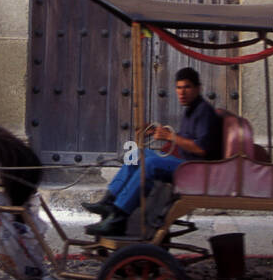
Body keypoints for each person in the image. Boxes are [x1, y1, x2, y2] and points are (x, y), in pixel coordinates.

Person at [84, 67, 222, 237]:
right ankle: (109, 202)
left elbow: (201, 149)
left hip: (194, 170)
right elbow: (185, 139)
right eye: (178, 88)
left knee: (150, 164)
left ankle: (118, 218)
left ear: (198, 88)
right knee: (137, 154)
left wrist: (170, 137)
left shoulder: (204, 111)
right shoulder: (191, 110)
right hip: (184, 163)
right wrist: (160, 132)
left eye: (187, 87)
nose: (182, 92)